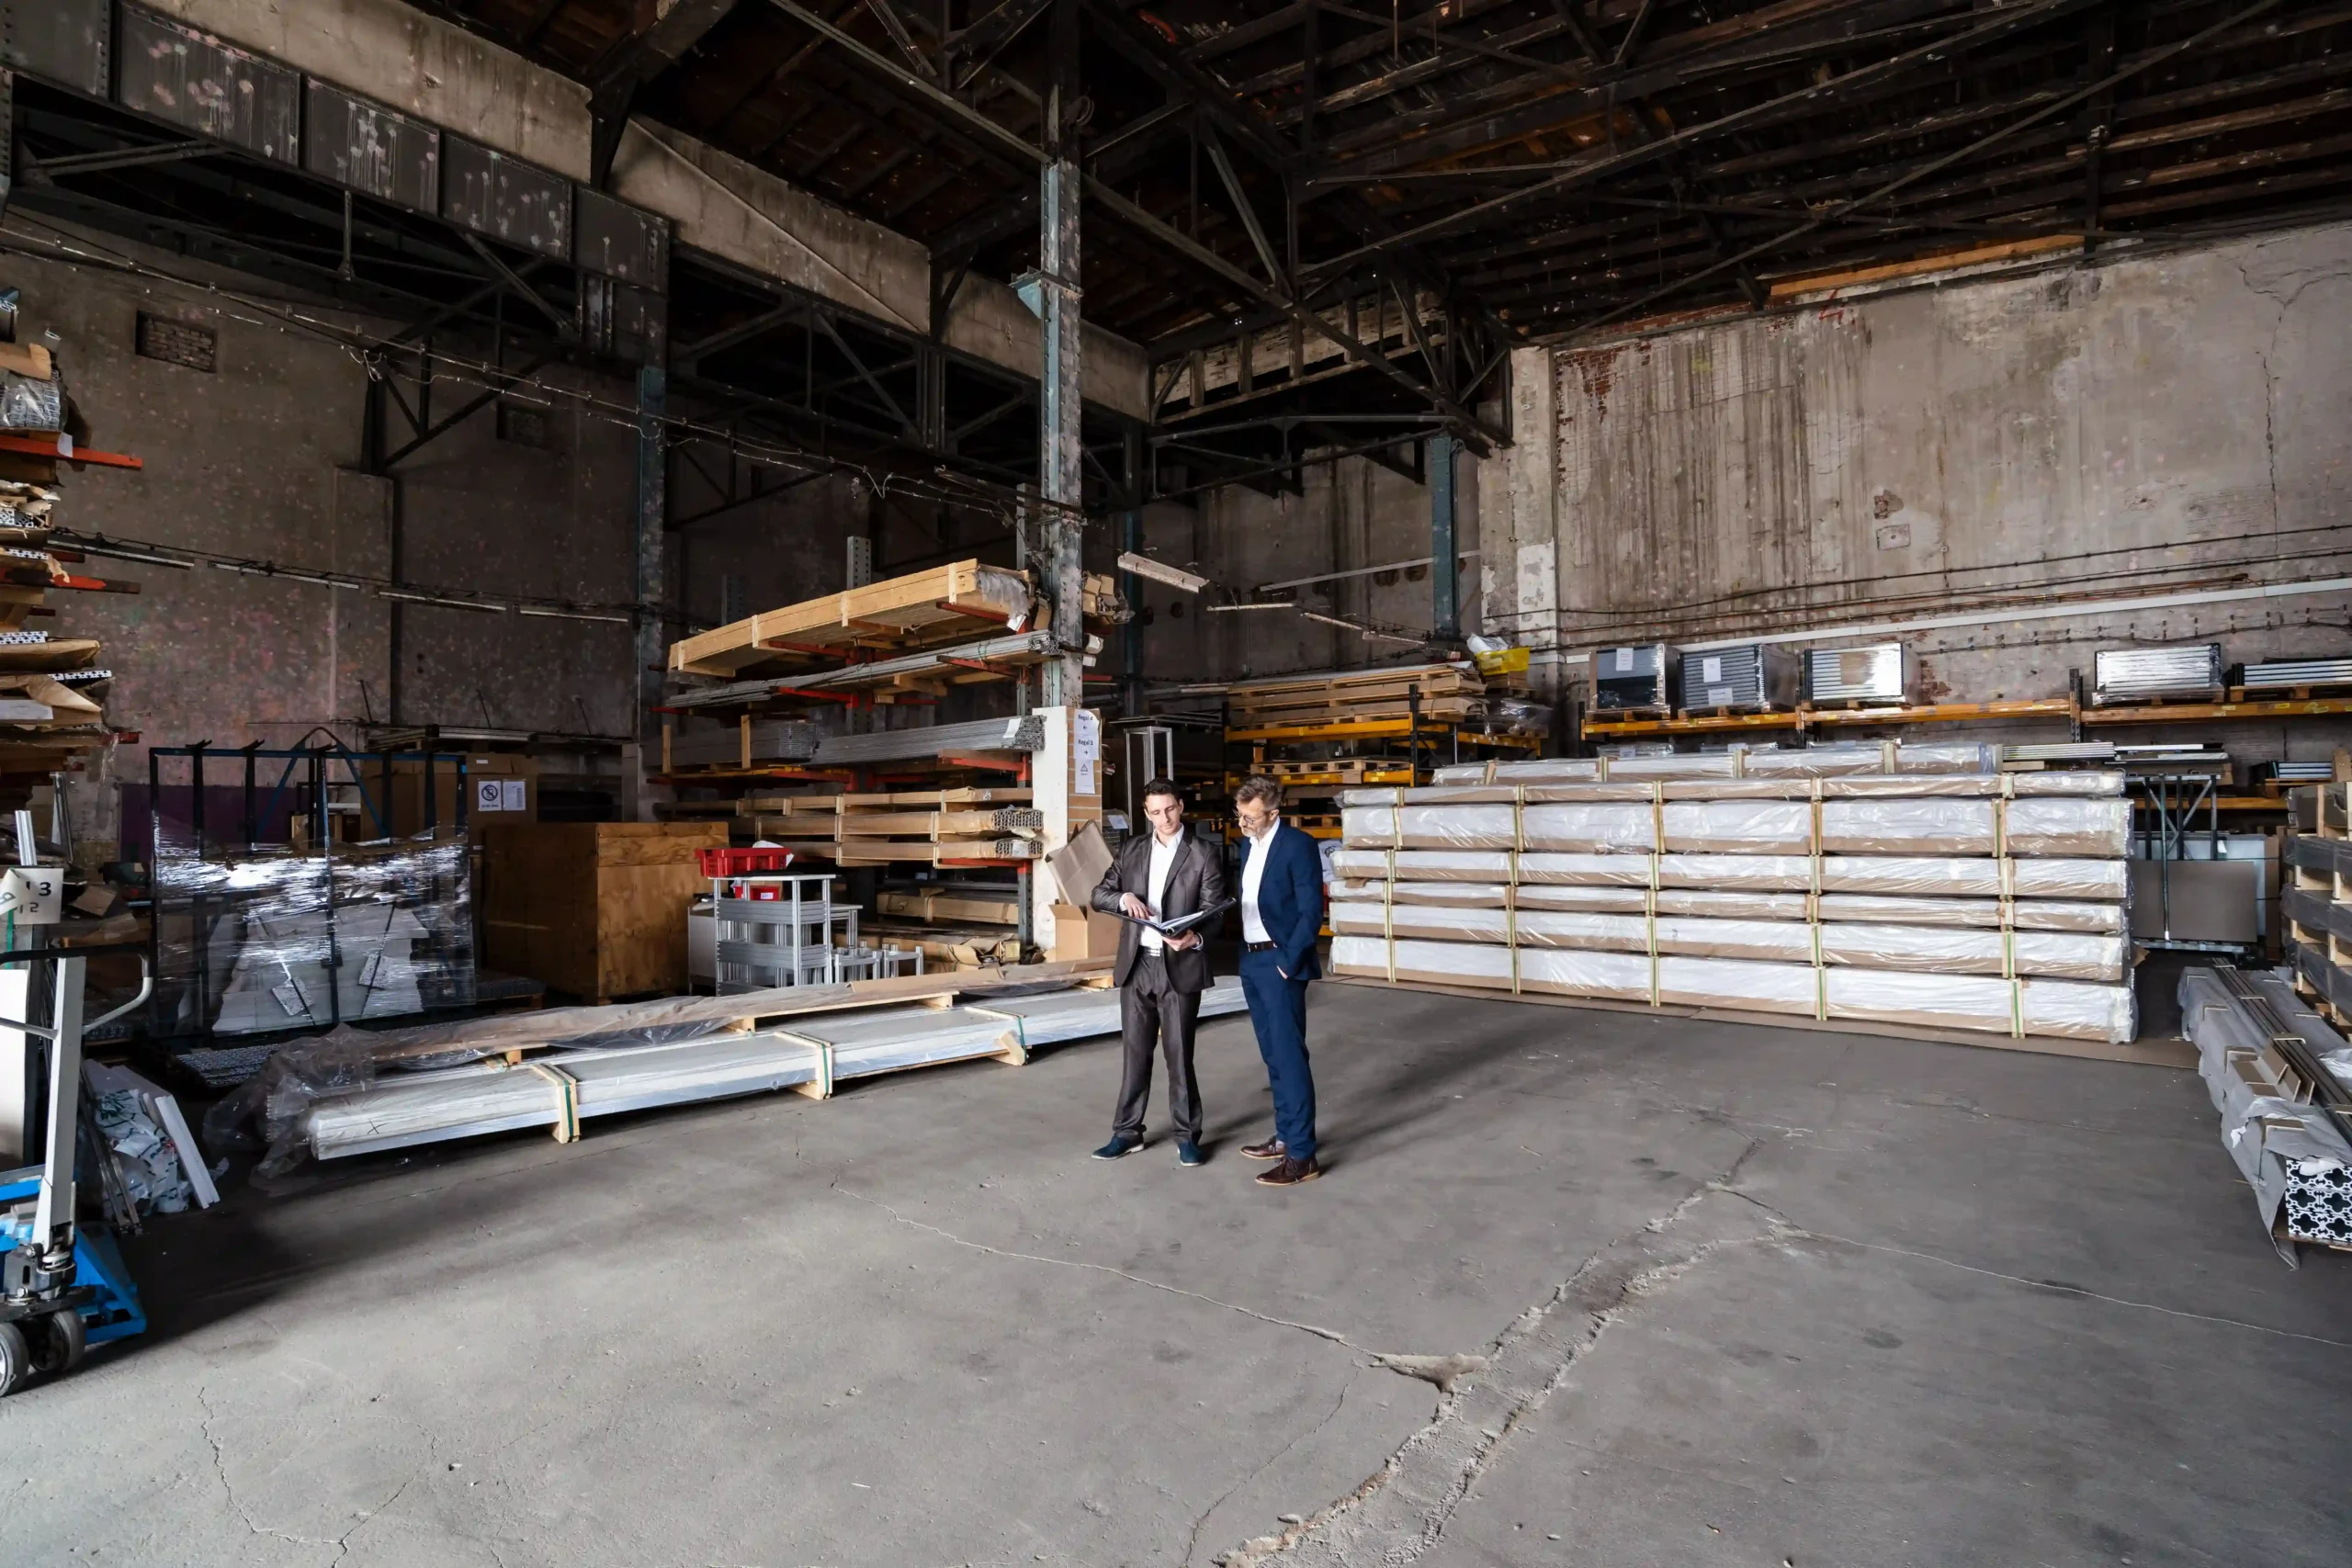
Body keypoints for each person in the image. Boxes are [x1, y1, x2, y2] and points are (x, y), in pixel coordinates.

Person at [1088, 778, 1227, 1167]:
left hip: (1178, 966)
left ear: (1180, 806)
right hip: (1137, 966)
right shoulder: (1132, 849)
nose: (1163, 818)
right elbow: (1098, 895)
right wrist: (1123, 897)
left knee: (1179, 1055)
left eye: (1169, 809)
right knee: (1135, 1054)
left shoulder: (1203, 854)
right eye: (1155, 812)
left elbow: (1216, 913)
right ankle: (1127, 1133)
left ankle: (1187, 1136)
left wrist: (1195, 938)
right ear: (1146, 813)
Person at [1231, 774, 1326, 1187]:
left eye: (1250, 817)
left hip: (1279, 963)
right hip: (1251, 960)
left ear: (1274, 813)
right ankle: (1287, 1136)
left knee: (1289, 1057)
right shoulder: (1247, 848)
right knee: (1273, 1055)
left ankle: (1303, 1157)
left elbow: (1311, 910)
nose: (1243, 823)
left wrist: (1289, 962)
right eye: (1240, 815)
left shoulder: (1298, 846)